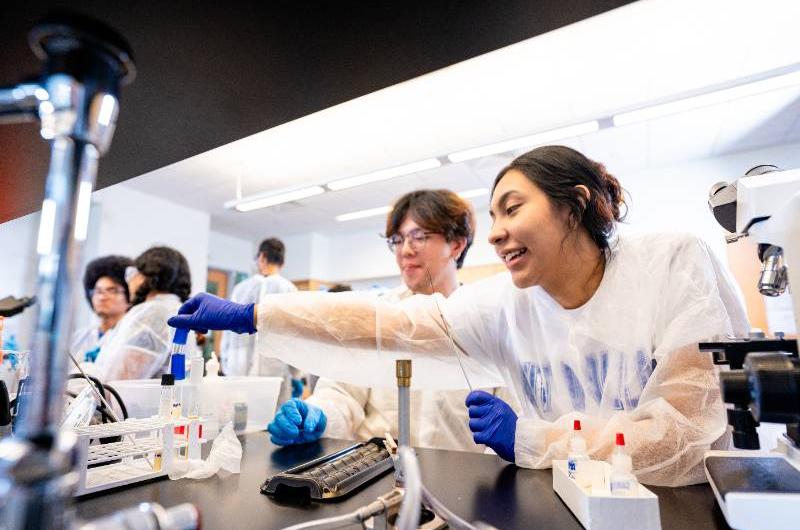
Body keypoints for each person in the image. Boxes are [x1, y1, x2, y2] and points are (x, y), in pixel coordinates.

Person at [170, 145, 749, 486]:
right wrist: (257, 314)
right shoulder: (503, 306)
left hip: (670, 518)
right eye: (493, 216)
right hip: (552, 506)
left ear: (575, 204)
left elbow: (686, 438)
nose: (497, 232)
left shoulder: (669, 264)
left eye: (512, 209)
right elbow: (388, 326)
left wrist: (529, 438)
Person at [270, 190, 517, 452]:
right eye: (398, 240)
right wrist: (319, 415)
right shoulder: (378, 315)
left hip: (461, 475)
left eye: (419, 237)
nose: (405, 250)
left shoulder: (486, 323)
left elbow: (510, 420)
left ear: (456, 244)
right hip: (377, 470)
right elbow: (342, 394)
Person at [95, 246, 193, 382]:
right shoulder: (176, 309)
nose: (129, 281)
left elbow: (118, 380)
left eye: (133, 273)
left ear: (146, 275)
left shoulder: (154, 312)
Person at [220, 238, 296, 378]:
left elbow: (228, 329)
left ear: (261, 257)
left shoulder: (240, 289)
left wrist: (224, 362)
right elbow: (294, 336)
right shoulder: (289, 290)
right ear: (282, 262)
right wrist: (296, 373)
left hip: (238, 369)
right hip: (274, 374)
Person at [71, 255, 133, 363]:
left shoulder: (132, 337)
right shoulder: (79, 338)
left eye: (112, 291)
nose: (102, 297)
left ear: (130, 296)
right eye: (98, 291)